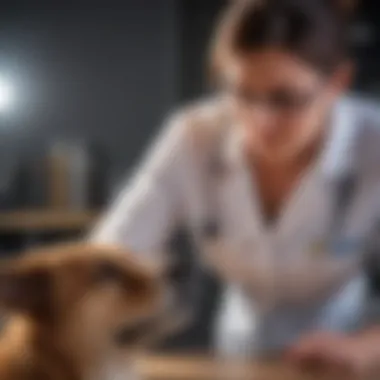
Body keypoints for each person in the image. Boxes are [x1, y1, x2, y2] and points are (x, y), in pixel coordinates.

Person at [91, 0, 380, 375]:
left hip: (350, 343)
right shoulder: (194, 135)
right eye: (241, 93)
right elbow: (113, 252)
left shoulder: (372, 143)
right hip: (239, 346)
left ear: (337, 83)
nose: (259, 120)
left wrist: (365, 346)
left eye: (286, 99)